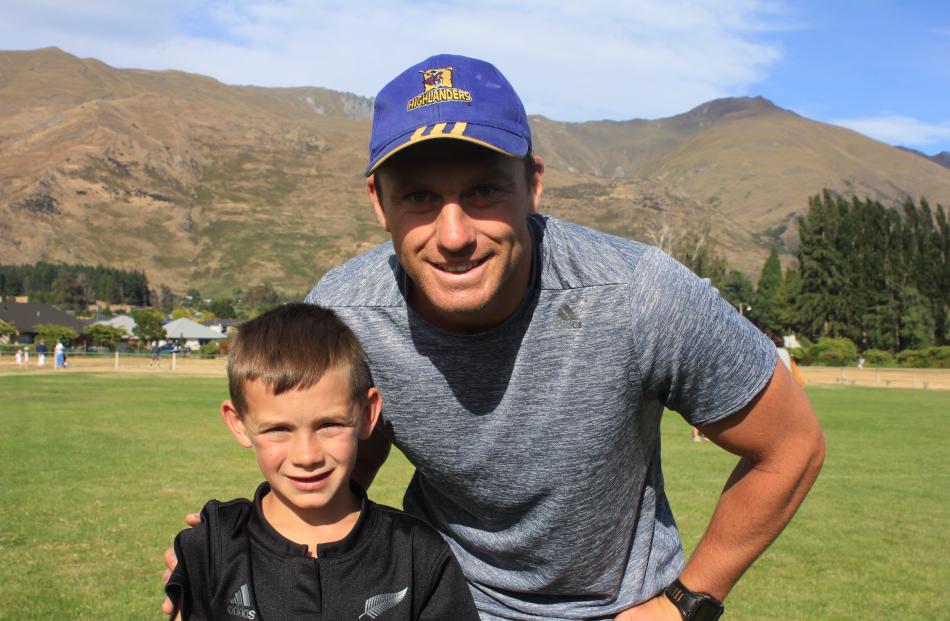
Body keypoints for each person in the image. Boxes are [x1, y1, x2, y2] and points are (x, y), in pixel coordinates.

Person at [165, 54, 824, 620]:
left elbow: (792, 445)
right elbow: (333, 480)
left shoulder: (638, 296)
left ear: (532, 184)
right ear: (377, 200)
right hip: (439, 603)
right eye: (419, 197)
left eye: (483, 190)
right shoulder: (348, 314)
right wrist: (229, 548)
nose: (454, 235)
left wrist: (685, 601)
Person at [164, 303, 478, 621]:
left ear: (368, 414)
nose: (307, 456)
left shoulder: (416, 553)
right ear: (239, 424)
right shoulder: (213, 547)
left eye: (329, 425)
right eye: (278, 429)